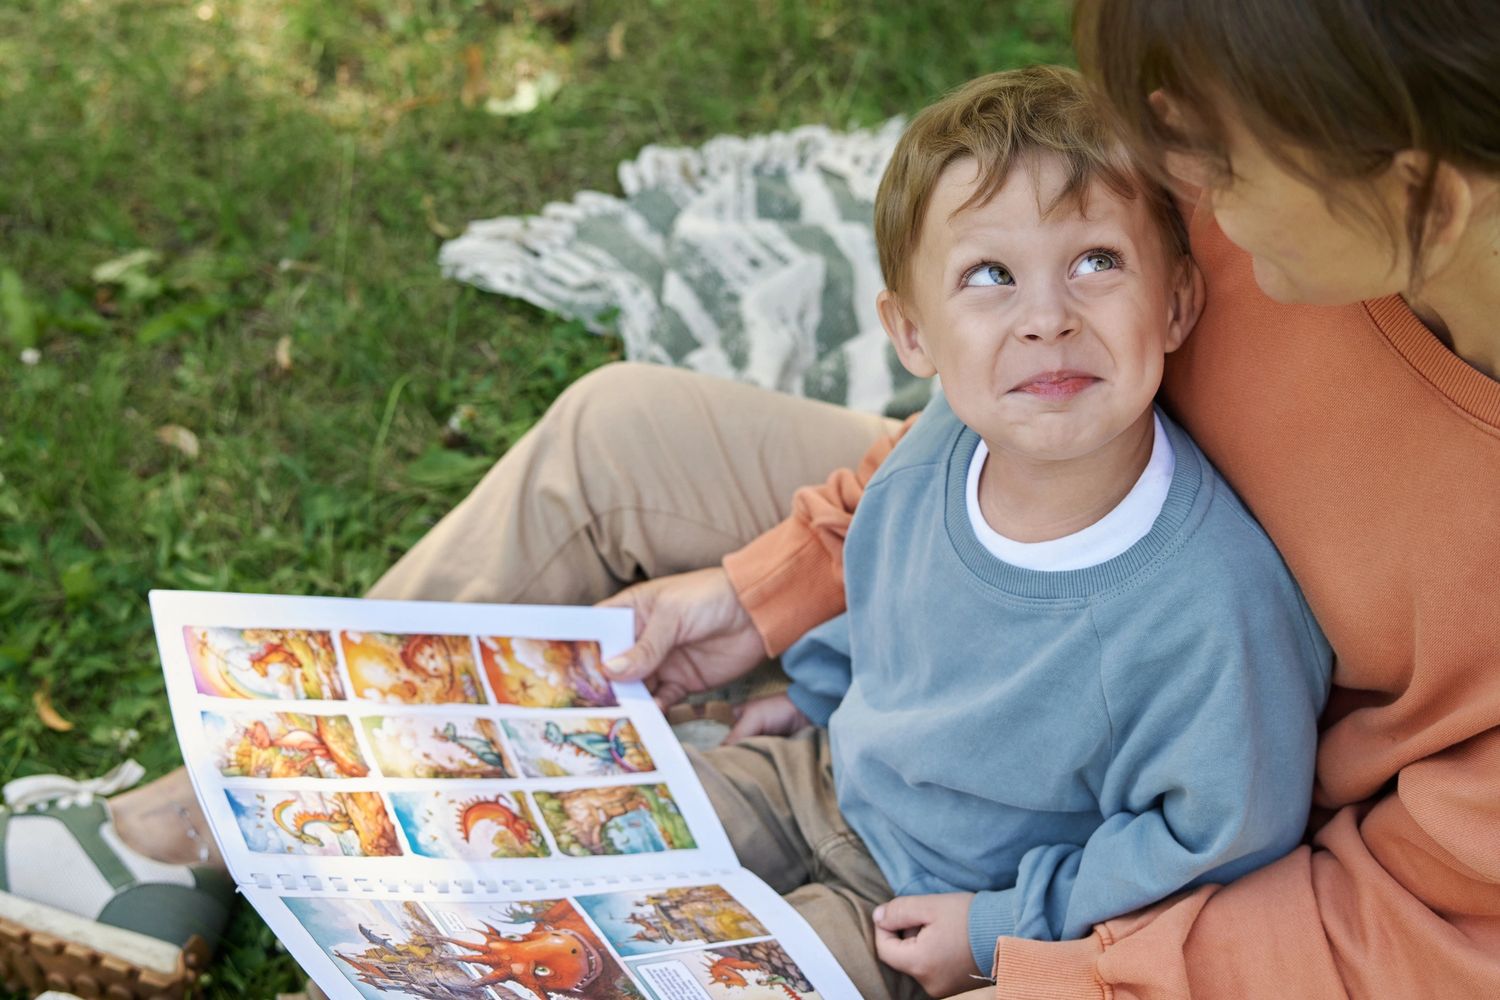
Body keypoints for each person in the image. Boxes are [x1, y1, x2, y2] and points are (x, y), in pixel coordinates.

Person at [5, 0, 1498, 995]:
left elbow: (1400, 933)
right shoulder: (1245, 210)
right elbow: (953, 443)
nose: (1179, 168)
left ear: (1424, 193)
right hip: (1006, 567)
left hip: (1092, 824)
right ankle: (204, 819)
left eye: (1217, 150)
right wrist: (780, 596)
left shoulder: (1303, 548)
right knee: (622, 432)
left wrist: (1026, 947)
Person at [685, 64, 1328, 1000]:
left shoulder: (1210, 607)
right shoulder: (932, 454)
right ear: (913, 335)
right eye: (991, 276)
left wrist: (1001, 930)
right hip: (818, 777)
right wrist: (819, 688)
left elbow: (1213, 846)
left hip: (930, 904)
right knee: (596, 849)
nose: (1047, 320)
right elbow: (896, 604)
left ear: (1179, 302)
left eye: (1097, 262)